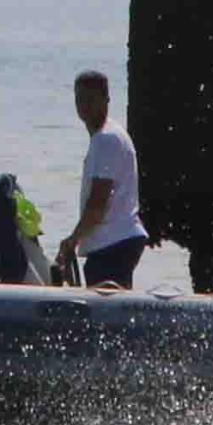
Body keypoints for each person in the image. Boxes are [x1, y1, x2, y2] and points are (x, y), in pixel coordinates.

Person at [55, 69, 149, 290]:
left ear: (106, 100)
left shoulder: (107, 139)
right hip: (115, 242)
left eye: (91, 99)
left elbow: (97, 204)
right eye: (80, 99)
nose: (84, 105)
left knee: (107, 315)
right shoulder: (106, 137)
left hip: (114, 243)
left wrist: (72, 240)